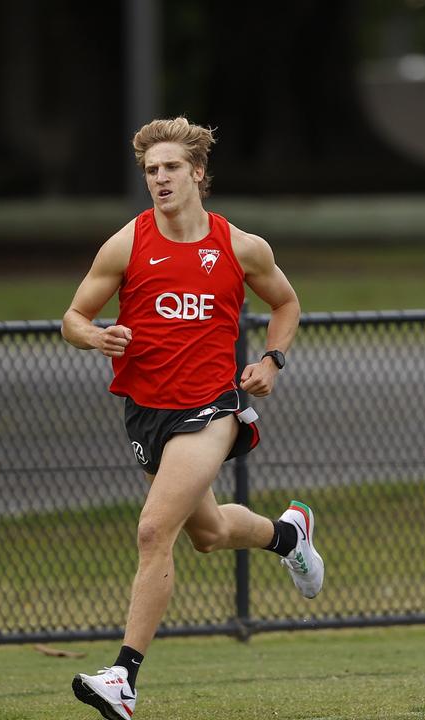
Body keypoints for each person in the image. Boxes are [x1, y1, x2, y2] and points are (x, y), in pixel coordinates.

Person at [61, 117, 325, 719]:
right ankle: (289, 534)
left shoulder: (239, 246)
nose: (160, 178)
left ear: (198, 174)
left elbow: (286, 303)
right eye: (151, 170)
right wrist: (96, 337)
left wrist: (272, 360)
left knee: (154, 531)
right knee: (206, 535)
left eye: (172, 167)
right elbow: (72, 318)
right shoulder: (127, 243)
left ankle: (123, 679)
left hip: (212, 407)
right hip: (146, 412)